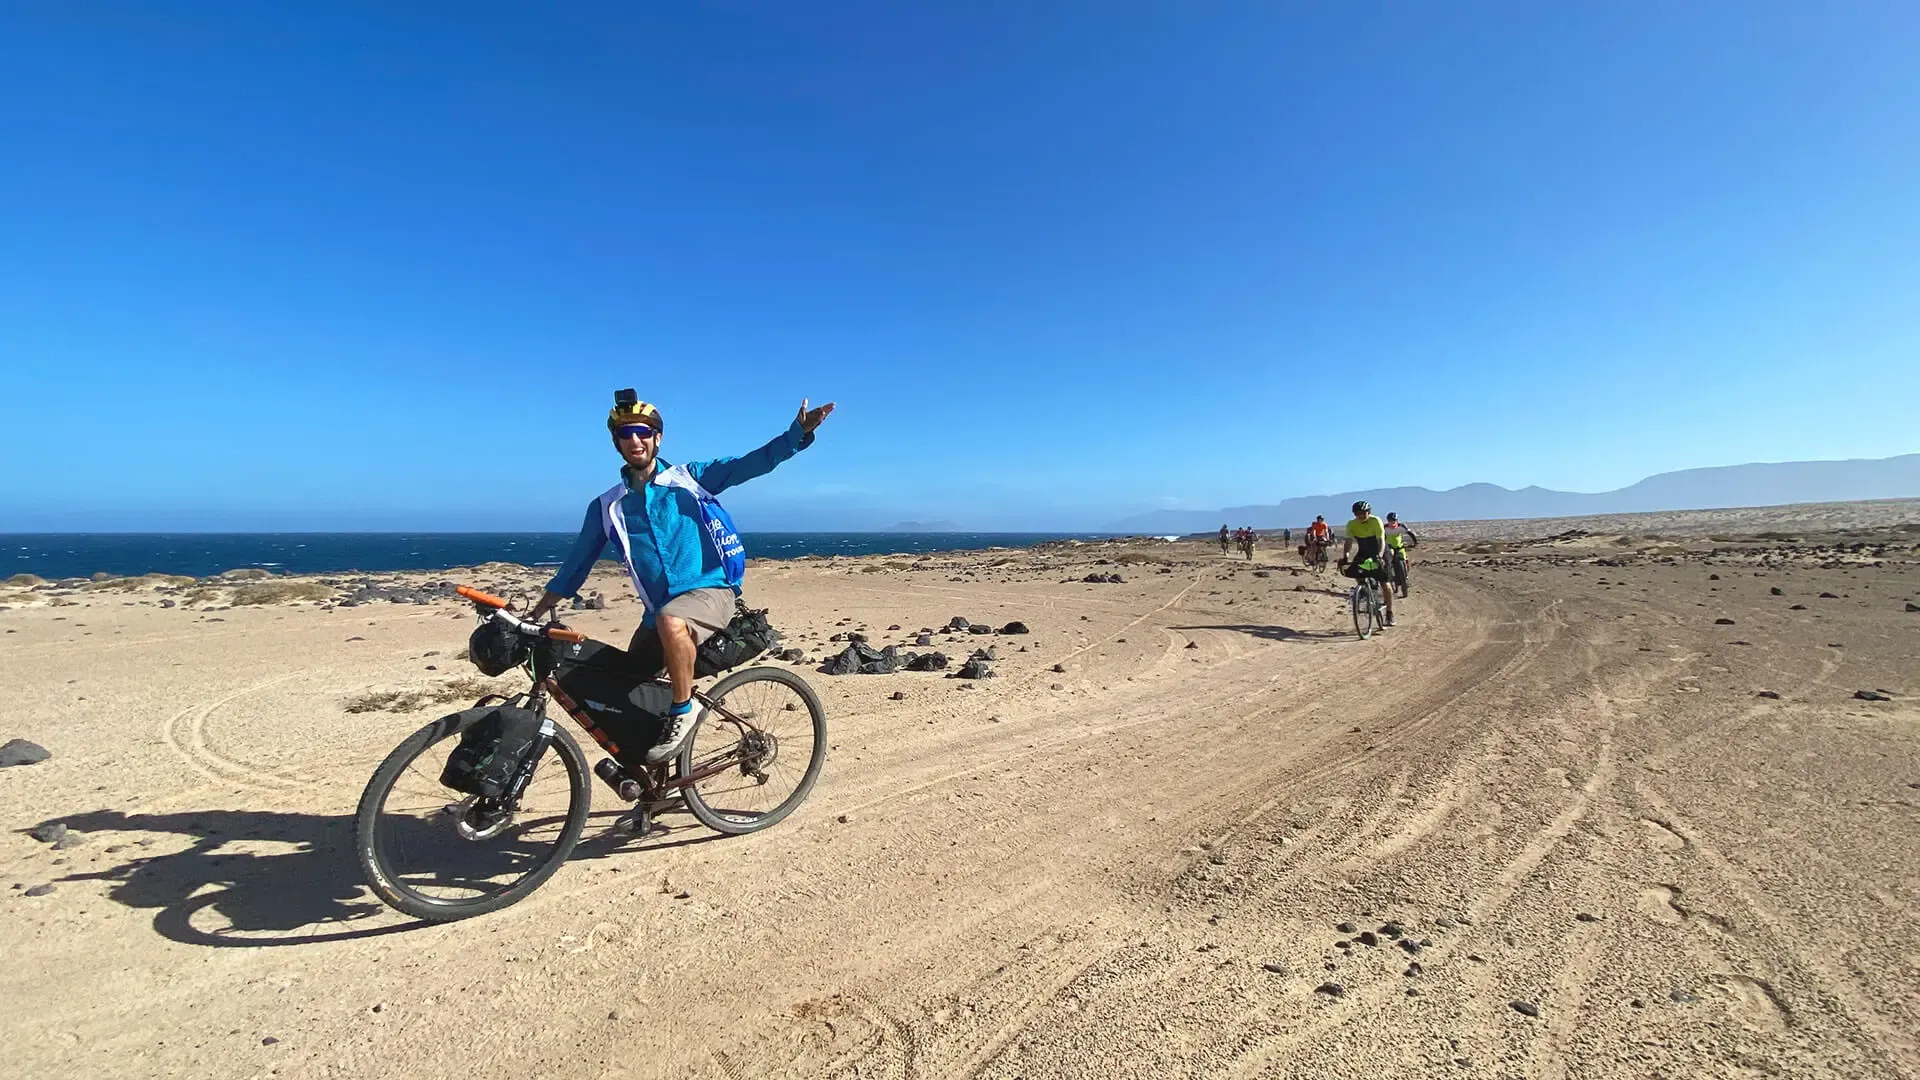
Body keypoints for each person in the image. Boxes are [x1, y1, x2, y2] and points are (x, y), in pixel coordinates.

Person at [527, 391, 835, 764]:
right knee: (618, 686)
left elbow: (751, 463)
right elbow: (576, 565)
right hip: (656, 614)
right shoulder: (607, 507)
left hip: (710, 592)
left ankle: (683, 710)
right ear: (616, 443)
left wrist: (796, 435)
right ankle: (655, 781)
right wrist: (535, 613)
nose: (635, 440)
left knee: (672, 622)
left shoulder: (690, 479)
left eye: (643, 431)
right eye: (625, 434)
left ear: (657, 438)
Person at [1339, 500, 1396, 627]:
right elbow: (1348, 542)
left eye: (1363, 513)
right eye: (1357, 514)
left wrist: (1380, 557)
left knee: (1384, 580)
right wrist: (1346, 556)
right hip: (1364, 551)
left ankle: (1389, 613)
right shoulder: (1352, 524)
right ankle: (1363, 589)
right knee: (1355, 570)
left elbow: (1381, 540)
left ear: (1368, 512)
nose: (1360, 516)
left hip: (1379, 550)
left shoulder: (1376, 521)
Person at [1384, 512, 1419, 596]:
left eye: (1394, 521)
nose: (1392, 523)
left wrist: (1415, 543)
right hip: (1389, 548)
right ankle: (1389, 576)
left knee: (1403, 558)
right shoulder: (1384, 528)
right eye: (1390, 521)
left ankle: (1405, 573)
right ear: (1388, 521)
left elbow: (1410, 534)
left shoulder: (1401, 527)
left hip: (1399, 547)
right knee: (1387, 562)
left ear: (1396, 521)